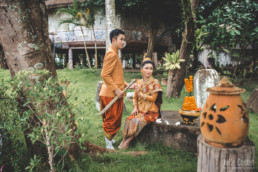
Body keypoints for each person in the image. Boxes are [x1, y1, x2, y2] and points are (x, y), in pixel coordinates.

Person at [118, 56, 163, 149]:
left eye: (151, 68)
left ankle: (128, 141)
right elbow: (135, 97)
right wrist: (135, 108)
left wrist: (140, 93)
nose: (148, 70)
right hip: (140, 110)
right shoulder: (138, 82)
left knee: (137, 121)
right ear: (142, 70)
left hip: (151, 112)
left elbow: (153, 99)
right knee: (129, 119)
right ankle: (123, 140)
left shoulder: (155, 82)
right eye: (146, 68)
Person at [99, 29, 127, 149]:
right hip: (110, 93)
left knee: (115, 119)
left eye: (124, 40)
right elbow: (105, 74)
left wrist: (125, 84)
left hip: (113, 92)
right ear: (114, 39)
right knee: (111, 119)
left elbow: (116, 76)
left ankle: (110, 138)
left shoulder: (114, 53)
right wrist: (116, 89)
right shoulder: (111, 53)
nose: (123, 42)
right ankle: (108, 143)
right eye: (121, 39)